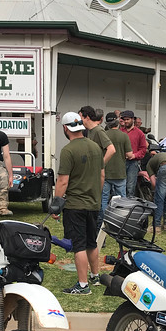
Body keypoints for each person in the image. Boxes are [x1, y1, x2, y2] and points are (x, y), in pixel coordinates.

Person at [55, 112, 104, 295]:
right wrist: (96, 196)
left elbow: (62, 181)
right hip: (93, 203)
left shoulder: (68, 150)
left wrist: (56, 204)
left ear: (65, 128)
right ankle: (95, 275)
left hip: (75, 205)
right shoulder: (96, 147)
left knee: (79, 245)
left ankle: (83, 285)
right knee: (92, 242)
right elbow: (101, 175)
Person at [99, 113, 133, 226]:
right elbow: (129, 154)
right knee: (122, 199)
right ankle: (120, 222)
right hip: (120, 172)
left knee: (104, 199)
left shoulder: (103, 135)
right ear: (118, 122)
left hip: (105, 172)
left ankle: (105, 222)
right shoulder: (124, 136)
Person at [120, 110, 148, 197]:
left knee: (130, 187)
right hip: (121, 161)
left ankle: (129, 207)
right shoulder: (120, 131)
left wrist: (134, 155)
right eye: (124, 120)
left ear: (133, 119)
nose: (125, 121)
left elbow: (143, 149)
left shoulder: (140, 133)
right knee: (120, 186)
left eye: (127, 119)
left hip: (133, 162)